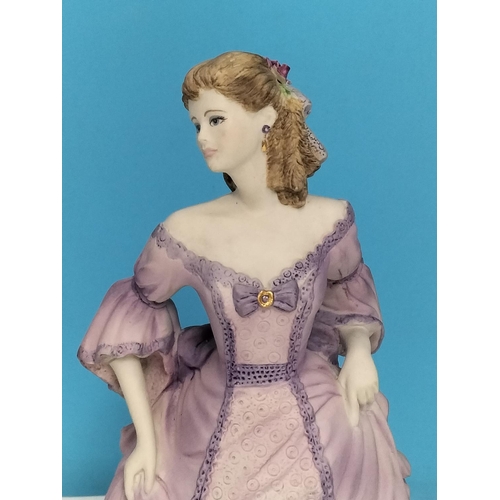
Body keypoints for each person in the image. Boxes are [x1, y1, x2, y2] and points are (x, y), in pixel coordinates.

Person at [78, 51, 410, 500]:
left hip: (315, 403)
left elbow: (347, 293)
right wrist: (148, 440)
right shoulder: (185, 230)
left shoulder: (332, 220)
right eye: (196, 124)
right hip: (213, 409)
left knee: (349, 448)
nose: (202, 136)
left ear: (267, 118)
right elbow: (129, 321)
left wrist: (359, 353)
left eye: (215, 119)